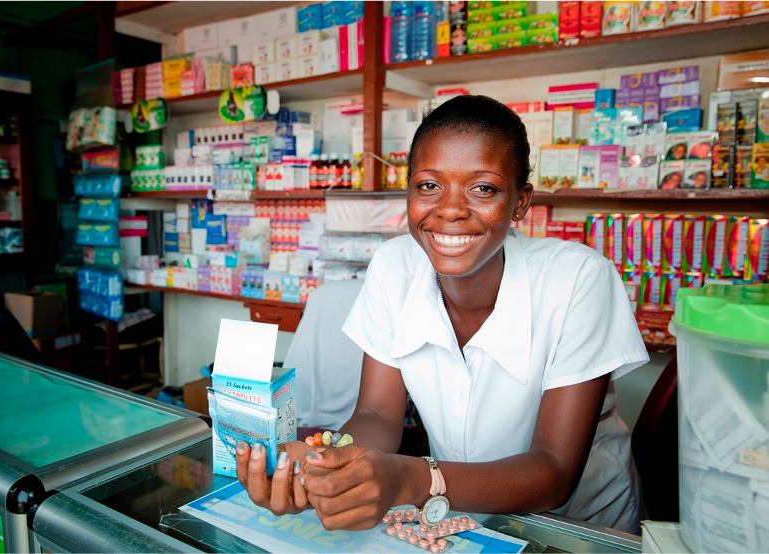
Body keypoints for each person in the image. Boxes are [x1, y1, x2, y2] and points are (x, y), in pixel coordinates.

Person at [235, 95, 649, 535]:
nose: (450, 209)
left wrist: (412, 479)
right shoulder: (393, 266)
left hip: (576, 530)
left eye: (483, 188)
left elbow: (554, 470)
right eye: (429, 185)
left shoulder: (579, 279)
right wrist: (330, 464)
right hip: (463, 517)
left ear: (521, 201)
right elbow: (376, 415)